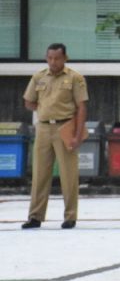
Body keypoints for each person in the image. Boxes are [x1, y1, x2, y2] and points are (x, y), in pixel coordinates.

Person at [22, 43, 88, 230]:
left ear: (65, 58)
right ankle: (35, 216)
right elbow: (28, 101)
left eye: (57, 58)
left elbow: (82, 107)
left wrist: (77, 134)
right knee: (40, 174)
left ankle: (70, 216)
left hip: (65, 126)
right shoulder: (39, 77)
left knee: (68, 174)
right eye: (50, 58)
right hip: (43, 128)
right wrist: (43, 110)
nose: (53, 62)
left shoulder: (74, 78)